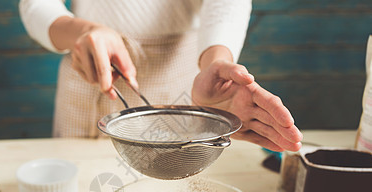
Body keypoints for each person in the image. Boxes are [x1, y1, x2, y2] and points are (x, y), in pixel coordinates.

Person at [19, 0, 302, 152]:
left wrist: (216, 64)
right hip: (91, 66)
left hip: (180, 77)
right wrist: (79, 31)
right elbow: (35, 4)